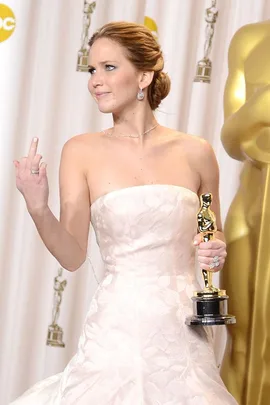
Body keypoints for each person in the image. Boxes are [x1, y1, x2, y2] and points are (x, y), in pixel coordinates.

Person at [12, 21, 238, 405]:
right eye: (92, 69)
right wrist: (37, 206)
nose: (95, 81)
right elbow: (71, 255)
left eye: (109, 67)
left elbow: (210, 228)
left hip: (184, 325)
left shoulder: (196, 151)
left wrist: (215, 247)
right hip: (118, 325)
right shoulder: (80, 151)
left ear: (145, 76)